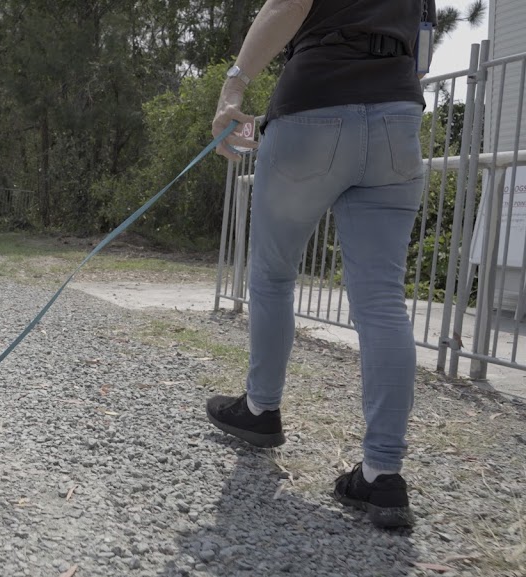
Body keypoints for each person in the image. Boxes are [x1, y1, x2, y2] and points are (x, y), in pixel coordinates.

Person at [206, 0, 434, 529]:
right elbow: (421, 54)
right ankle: (382, 474)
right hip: (397, 117)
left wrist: (233, 89)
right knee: (380, 300)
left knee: (272, 274)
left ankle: (262, 410)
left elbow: (288, 4)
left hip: (315, 106)